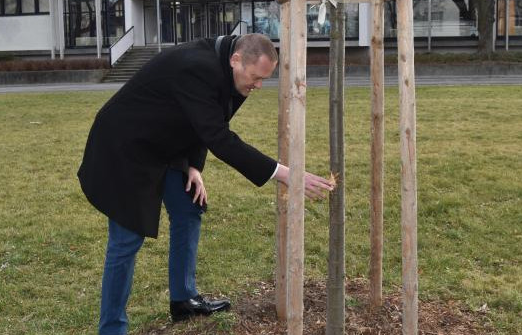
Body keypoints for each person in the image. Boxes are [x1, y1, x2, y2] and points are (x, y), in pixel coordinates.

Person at [77, 33, 333, 335]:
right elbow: (220, 139)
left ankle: (183, 299)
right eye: (255, 77)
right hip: (125, 147)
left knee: (189, 206)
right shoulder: (196, 67)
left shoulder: (232, 73)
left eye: (264, 79)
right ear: (236, 59)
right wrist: (284, 173)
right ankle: (111, 329)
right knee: (126, 240)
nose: (259, 85)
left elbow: (207, 121)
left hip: (164, 143)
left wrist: (194, 167)